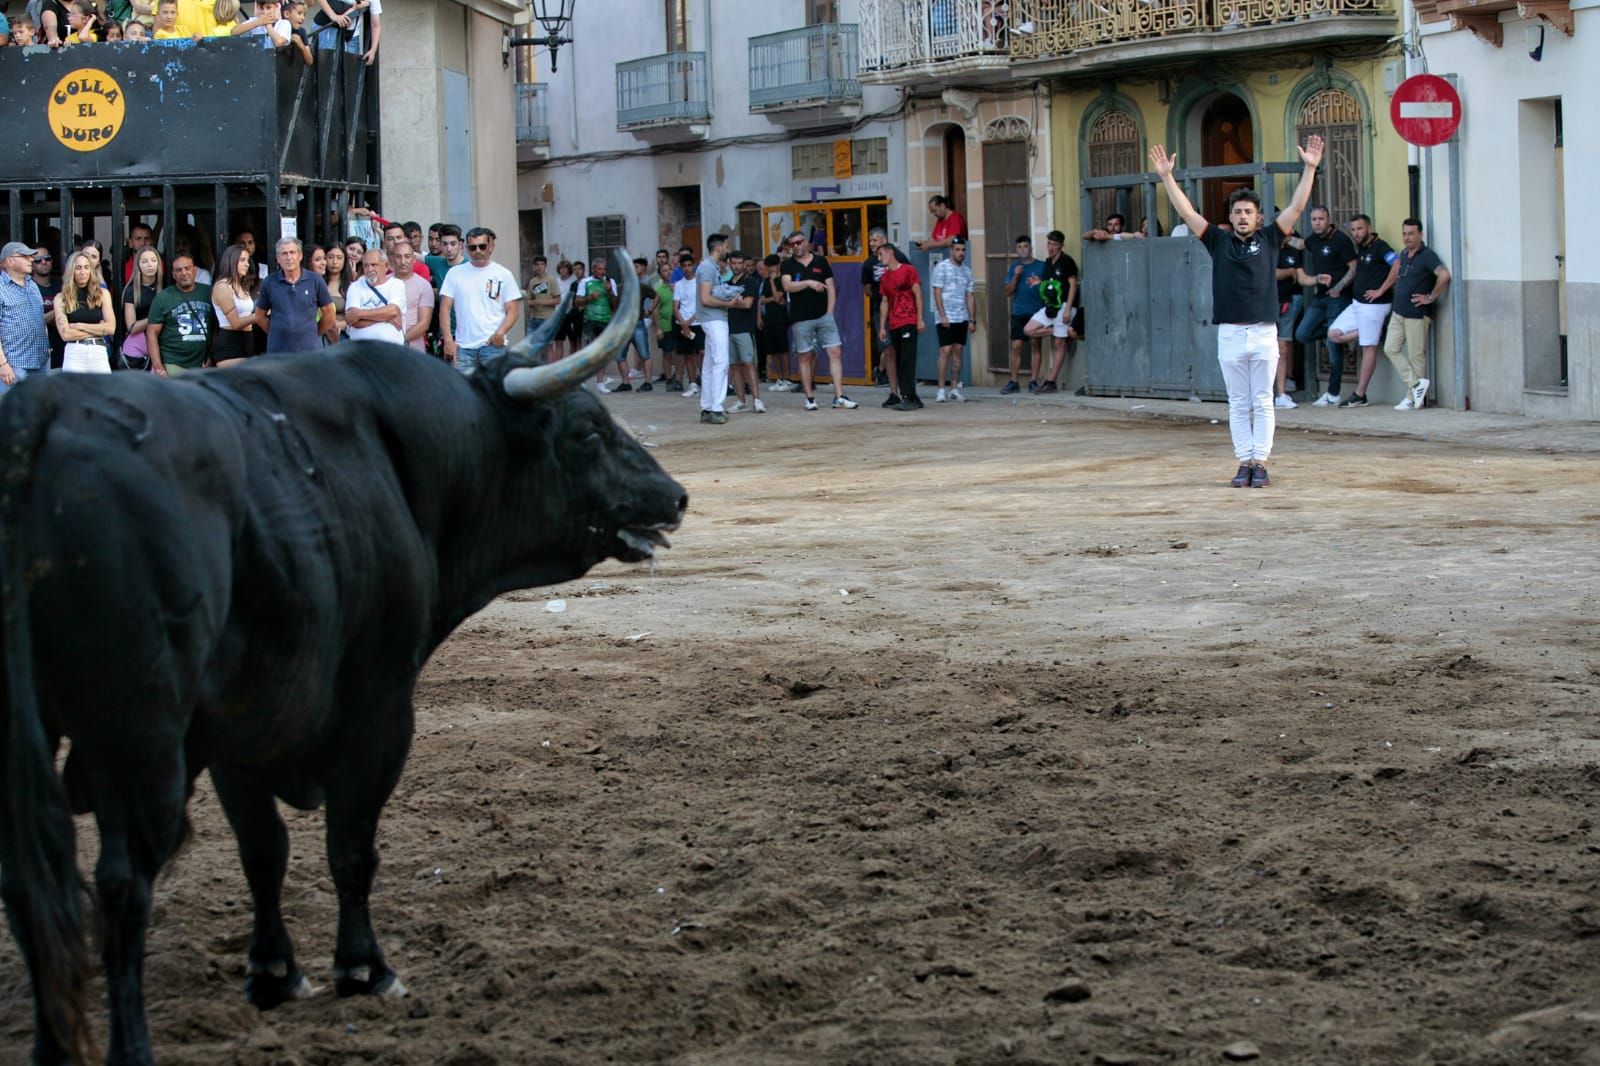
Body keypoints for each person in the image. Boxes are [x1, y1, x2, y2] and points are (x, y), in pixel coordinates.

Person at [1150, 134, 1324, 488]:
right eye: (1237, 212)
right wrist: (1167, 177)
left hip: (1263, 332)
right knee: (1237, 401)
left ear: (1259, 218)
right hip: (1229, 332)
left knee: (1262, 400)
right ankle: (1243, 462)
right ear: (1229, 217)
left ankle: (1260, 462)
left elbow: (1297, 208)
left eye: (1248, 212)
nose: (1242, 216)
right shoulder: (1218, 240)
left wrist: (1310, 168)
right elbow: (1187, 211)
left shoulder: (1272, 238)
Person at [1323, 214, 1397, 408]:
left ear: (1369, 228)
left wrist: (1382, 290)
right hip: (1357, 304)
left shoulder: (1381, 246)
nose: (1356, 233)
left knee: (1368, 347)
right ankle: (1371, 333)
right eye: (1353, 229)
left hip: (1374, 306)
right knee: (1334, 334)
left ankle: (1359, 394)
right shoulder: (1362, 247)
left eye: (1360, 229)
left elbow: (1397, 264)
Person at [780, 230, 857, 411]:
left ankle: (839, 396)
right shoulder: (788, 265)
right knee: (805, 356)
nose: (797, 246)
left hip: (824, 315)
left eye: (799, 242)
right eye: (793, 244)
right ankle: (809, 397)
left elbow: (830, 287)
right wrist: (808, 283)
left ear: (807, 242)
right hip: (801, 318)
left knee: (835, 352)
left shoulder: (821, 261)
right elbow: (787, 286)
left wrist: (830, 311)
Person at [1381, 218, 1449, 412]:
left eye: (1411, 234)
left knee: (1416, 356)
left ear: (1420, 235)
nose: (1407, 237)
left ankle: (1412, 399)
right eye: (1404, 233)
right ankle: (1415, 384)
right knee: (1390, 348)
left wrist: (1430, 297)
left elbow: (1444, 275)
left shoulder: (1427, 256)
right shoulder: (1404, 253)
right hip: (1399, 311)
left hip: (1417, 314)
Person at [1296, 206, 1358, 406]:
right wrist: (1282, 235)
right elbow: (1300, 244)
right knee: (1302, 334)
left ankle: (1333, 393)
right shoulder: (1313, 240)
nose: (1317, 223)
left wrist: (1339, 287)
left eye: (1321, 219)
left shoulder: (1341, 239)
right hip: (1320, 297)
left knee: (1333, 348)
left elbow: (1353, 266)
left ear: (1329, 219)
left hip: (1338, 298)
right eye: (1314, 219)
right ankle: (1332, 333)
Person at [437, 227, 521, 373]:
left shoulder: (503, 274)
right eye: (473, 247)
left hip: (493, 347)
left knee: (492, 392)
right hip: (462, 348)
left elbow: (513, 310)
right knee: (463, 392)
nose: (478, 251)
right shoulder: (455, 273)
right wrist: (448, 340)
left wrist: (501, 332)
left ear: (491, 247)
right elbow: (444, 308)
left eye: (482, 246)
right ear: (467, 248)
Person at [255, 238, 335, 354]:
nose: (289, 257)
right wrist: (277, 333)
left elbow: (329, 315)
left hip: (309, 352)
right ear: (278, 259)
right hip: (278, 353)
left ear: (300, 256)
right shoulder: (269, 283)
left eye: (292, 252)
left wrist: (312, 334)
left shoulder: (316, 280)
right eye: (284, 253)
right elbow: (259, 317)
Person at [694, 233, 742, 425]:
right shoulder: (707, 267)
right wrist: (729, 304)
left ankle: (707, 407)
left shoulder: (710, 267)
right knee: (721, 363)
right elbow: (705, 298)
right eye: (726, 245)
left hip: (711, 319)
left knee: (709, 365)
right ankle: (716, 408)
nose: (728, 249)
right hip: (714, 320)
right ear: (719, 247)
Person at [147, 253, 215, 376]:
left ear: (194, 270)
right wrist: (159, 368)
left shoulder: (209, 292)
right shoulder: (163, 297)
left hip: (202, 365)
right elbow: (152, 333)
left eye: (187, 268)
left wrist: (211, 356)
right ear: (173, 275)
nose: (184, 273)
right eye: (179, 270)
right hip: (173, 365)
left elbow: (217, 327)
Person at [876, 242, 925, 410]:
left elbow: (918, 293)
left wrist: (920, 319)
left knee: (907, 360)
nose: (879, 258)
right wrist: (882, 327)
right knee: (897, 359)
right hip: (894, 322)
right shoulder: (884, 278)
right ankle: (908, 395)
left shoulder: (908, 271)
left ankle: (909, 395)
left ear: (890, 253)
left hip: (909, 320)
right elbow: (884, 301)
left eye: (881, 254)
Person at [0, 242, 51, 393]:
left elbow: (39, 318)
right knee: (12, 414)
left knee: (39, 413)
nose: (31, 260)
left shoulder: (32, 285)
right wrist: (2, 365)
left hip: (41, 362)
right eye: (25, 256)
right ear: (10, 261)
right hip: (14, 365)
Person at [54, 251, 115, 374]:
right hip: (74, 352)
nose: (83, 272)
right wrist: (98, 330)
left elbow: (111, 328)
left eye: (87, 267)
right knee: (74, 393)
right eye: (78, 268)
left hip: (98, 350)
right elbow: (66, 334)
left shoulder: (102, 294)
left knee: (103, 392)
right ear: (71, 271)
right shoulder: (61, 298)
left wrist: (79, 326)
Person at [930, 235, 975, 402]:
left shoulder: (967, 271)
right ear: (951, 251)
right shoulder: (941, 268)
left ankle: (954, 388)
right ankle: (941, 389)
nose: (961, 253)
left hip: (961, 316)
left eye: (963, 250)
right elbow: (937, 291)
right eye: (957, 249)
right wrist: (942, 315)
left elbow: (970, 296)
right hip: (946, 316)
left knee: (958, 352)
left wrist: (972, 319)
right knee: (945, 351)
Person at [861, 228, 902, 405]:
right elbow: (867, 289)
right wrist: (881, 296)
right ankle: (894, 391)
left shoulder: (898, 257)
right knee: (888, 348)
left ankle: (907, 389)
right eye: (870, 241)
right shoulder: (868, 264)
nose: (872, 244)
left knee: (902, 348)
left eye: (875, 240)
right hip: (880, 309)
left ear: (885, 240)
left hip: (900, 307)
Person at [1036, 229, 1079, 393]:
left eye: (1054, 244)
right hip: (1050, 307)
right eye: (1049, 243)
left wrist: (1068, 308)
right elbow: (1049, 284)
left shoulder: (1067, 261)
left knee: (1058, 343)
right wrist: (1038, 282)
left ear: (1061, 245)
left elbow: (1073, 284)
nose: (1051, 247)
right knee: (1030, 329)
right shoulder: (1047, 262)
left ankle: (1051, 381)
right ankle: (1060, 331)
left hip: (1064, 306)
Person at [1002, 235, 1045, 394]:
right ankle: (1014, 381)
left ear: (1031, 248)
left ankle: (1033, 380)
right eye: (1019, 247)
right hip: (1019, 311)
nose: (1022, 250)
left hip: (1037, 311)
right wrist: (1016, 276)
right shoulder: (1014, 267)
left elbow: (1049, 288)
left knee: (1036, 345)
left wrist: (1040, 283)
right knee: (1016, 346)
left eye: (1025, 246)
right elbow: (1007, 292)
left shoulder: (1041, 266)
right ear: (1016, 250)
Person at [577, 256, 622, 391]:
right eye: (599, 269)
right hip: (589, 320)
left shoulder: (610, 282)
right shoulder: (585, 282)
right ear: (593, 269)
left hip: (605, 321)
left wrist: (609, 291)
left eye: (604, 269)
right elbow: (577, 302)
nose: (602, 272)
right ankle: (583, 382)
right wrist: (590, 297)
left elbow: (616, 304)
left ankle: (600, 382)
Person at [726, 251, 763, 413]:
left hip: (745, 329)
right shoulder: (726, 283)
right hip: (729, 328)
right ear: (729, 263)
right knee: (734, 366)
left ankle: (757, 400)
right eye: (733, 263)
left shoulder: (751, 281)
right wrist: (735, 301)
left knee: (749, 364)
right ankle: (741, 401)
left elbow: (748, 304)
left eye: (739, 262)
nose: (737, 266)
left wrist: (729, 302)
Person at [343, 249, 405, 345]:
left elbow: (392, 311)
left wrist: (359, 314)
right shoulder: (355, 286)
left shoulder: (397, 285)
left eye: (374, 265)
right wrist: (387, 318)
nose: (369, 269)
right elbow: (352, 320)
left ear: (386, 266)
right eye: (366, 266)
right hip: (360, 350)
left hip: (391, 350)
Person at [210, 243, 258, 366]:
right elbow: (236, 323)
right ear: (231, 261)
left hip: (248, 341)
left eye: (247, 260)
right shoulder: (222, 286)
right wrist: (260, 314)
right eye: (242, 260)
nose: (247, 264)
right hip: (230, 343)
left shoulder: (242, 286)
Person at [1273, 232, 1306, 408]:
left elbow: (1302, 278)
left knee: (1283, 348)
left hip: (1287, 302)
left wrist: (1317, 279)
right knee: (1263, 351)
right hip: (1266, 305)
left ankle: (1282, 394)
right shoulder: (1268, 249)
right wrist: (1290, 271)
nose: (1290, 233)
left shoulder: (1292, 251)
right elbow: (1273, 273)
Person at [120, 247, 164, 371]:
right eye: (144, 261)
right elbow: (132, 327)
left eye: (153, 260)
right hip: (136, 346)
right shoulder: (131, 291)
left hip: (161, 343)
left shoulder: (165, 288)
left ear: (159, 263)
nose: (149, 264)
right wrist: (156, 317)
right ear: (138, 265)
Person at [387, 240, 433, 353]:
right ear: (392, 259)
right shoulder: (383, 282)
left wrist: (400, 340)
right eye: (398, 257)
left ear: (414, 259)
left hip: (413, 349)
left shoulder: (424, 285)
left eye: (407, 256)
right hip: (385, 346)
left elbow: (424, 324)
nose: (403, 261)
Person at [759, 252, 792, 390]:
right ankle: (779, 378)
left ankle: (787, 377)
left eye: (773, 266)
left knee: (783, 349)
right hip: (769, 318)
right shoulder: (765, 281)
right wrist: (773, 298)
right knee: (773, 350)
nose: (771, 269)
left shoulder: (781, 280)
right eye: (769, 266)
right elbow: (762, 300)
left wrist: (773, 283)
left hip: (781, 318)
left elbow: (779, 298)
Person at [672, 251, 702, 395]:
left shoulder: (699, 282)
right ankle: (692, 384)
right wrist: (683, 323)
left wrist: (689, 321)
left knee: (702, 353)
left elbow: (701, 305)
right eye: (684, 266)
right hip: (682, 323)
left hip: (698, 323)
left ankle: (705, 380)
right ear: (681, 267)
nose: (687, 268)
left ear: (693, 266)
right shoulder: (678, 284)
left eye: (690, 265)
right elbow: (675, 306)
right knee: (688, 355)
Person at [626, 257, 656, 390]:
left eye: (637, 266)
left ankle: (640, 370)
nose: (634, 269)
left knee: (642, 346)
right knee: (639, 346)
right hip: (634, 317)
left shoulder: (648, 280)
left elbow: (655, 296)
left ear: (643, 267)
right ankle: (638, 368)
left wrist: (649, 310)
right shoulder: (634, 281)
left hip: (645, 316)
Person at [651, 262, 677, 385]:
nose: (668, 272)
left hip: (677, 324)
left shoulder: (678, 287)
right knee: (667, 352)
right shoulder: (659, 289)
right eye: (665, 271)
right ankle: (668, 377)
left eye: (670, 269)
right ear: (661, 275)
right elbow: (654, 309)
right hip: (665, 325)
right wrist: (658, 328)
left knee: (678, 352)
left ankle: (678, 376)